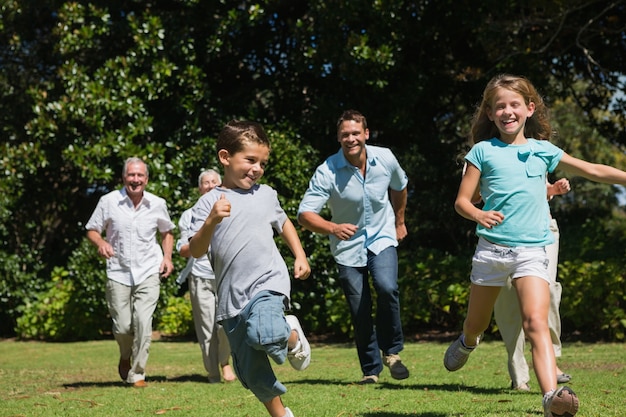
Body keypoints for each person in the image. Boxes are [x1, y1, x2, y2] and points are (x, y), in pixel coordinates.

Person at [445, 73, 626, 417]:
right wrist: (478, 216)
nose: (507, 112)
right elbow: (462, 202)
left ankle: (550, 397)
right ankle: (468, 341)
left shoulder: (543, 151)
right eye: (500, 106)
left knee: (536, 322)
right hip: (492, 252)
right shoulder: (482, 151)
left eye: (515, 105)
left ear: (529, 109)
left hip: (532, 251)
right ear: (489, 113)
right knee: (476, 322)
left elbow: (592, 170)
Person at [188, 120, 312, 417]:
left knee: (265, 332)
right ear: (225, 157)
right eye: (250, 160)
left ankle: (291, 334)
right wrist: (211, 221)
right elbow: (195, 249)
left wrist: (300, 254)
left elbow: (283, 222)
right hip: (231, 300)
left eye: (262, 163)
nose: (257, 168)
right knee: (252, 373)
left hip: (268, 283)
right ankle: (282, 414)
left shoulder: (266, 194)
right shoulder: (208, 203)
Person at [297, 109, 410, 384]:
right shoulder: (328, 170)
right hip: (347, 248)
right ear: (338, 137)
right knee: (359, 308)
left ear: (366, 134)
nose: (351, 138)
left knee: (387, 287)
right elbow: (304, 215)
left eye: (356, 133)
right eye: (345, 134)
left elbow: (400, 186)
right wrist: (333, 228)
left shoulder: (385, 157)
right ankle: (370, 370)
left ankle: (392, 352)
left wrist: (400, 221)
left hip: (382, 236)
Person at [86, 157, 175, 388]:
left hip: (148, 270)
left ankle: (137, 374)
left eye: (140, 175)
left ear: (146, 179)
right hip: (118, 271)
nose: (135, 179)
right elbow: (92, 229)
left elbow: (167, 232)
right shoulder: (109, 201)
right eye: (131, 175)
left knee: (144, 322)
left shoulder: (157, 203)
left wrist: (167, 257)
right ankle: (125, 355)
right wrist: (101, 243)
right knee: (123, 326)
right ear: (124, 177)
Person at [493, 178, 572, 391]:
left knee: (547, 290)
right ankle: (519, 375)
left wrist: (553, 189)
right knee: (509, 300)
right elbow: (472, 196)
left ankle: (551, 361)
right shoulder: (485, 151)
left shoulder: (536, 149)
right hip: (503, 231)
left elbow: (539, 185)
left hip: (541, 229)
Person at [176, 168, 236, 383]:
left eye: (214, 181)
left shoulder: (231, 208)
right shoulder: (189, 214)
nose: (210, 185)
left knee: (225, 325)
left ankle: (226, 362)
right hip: (200, 275)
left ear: (220, 185)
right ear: (199, 188)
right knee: (206, 328)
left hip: (225, 274)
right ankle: (212, 373)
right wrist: (194, 245)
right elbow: (183, 247)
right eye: (205, 182)